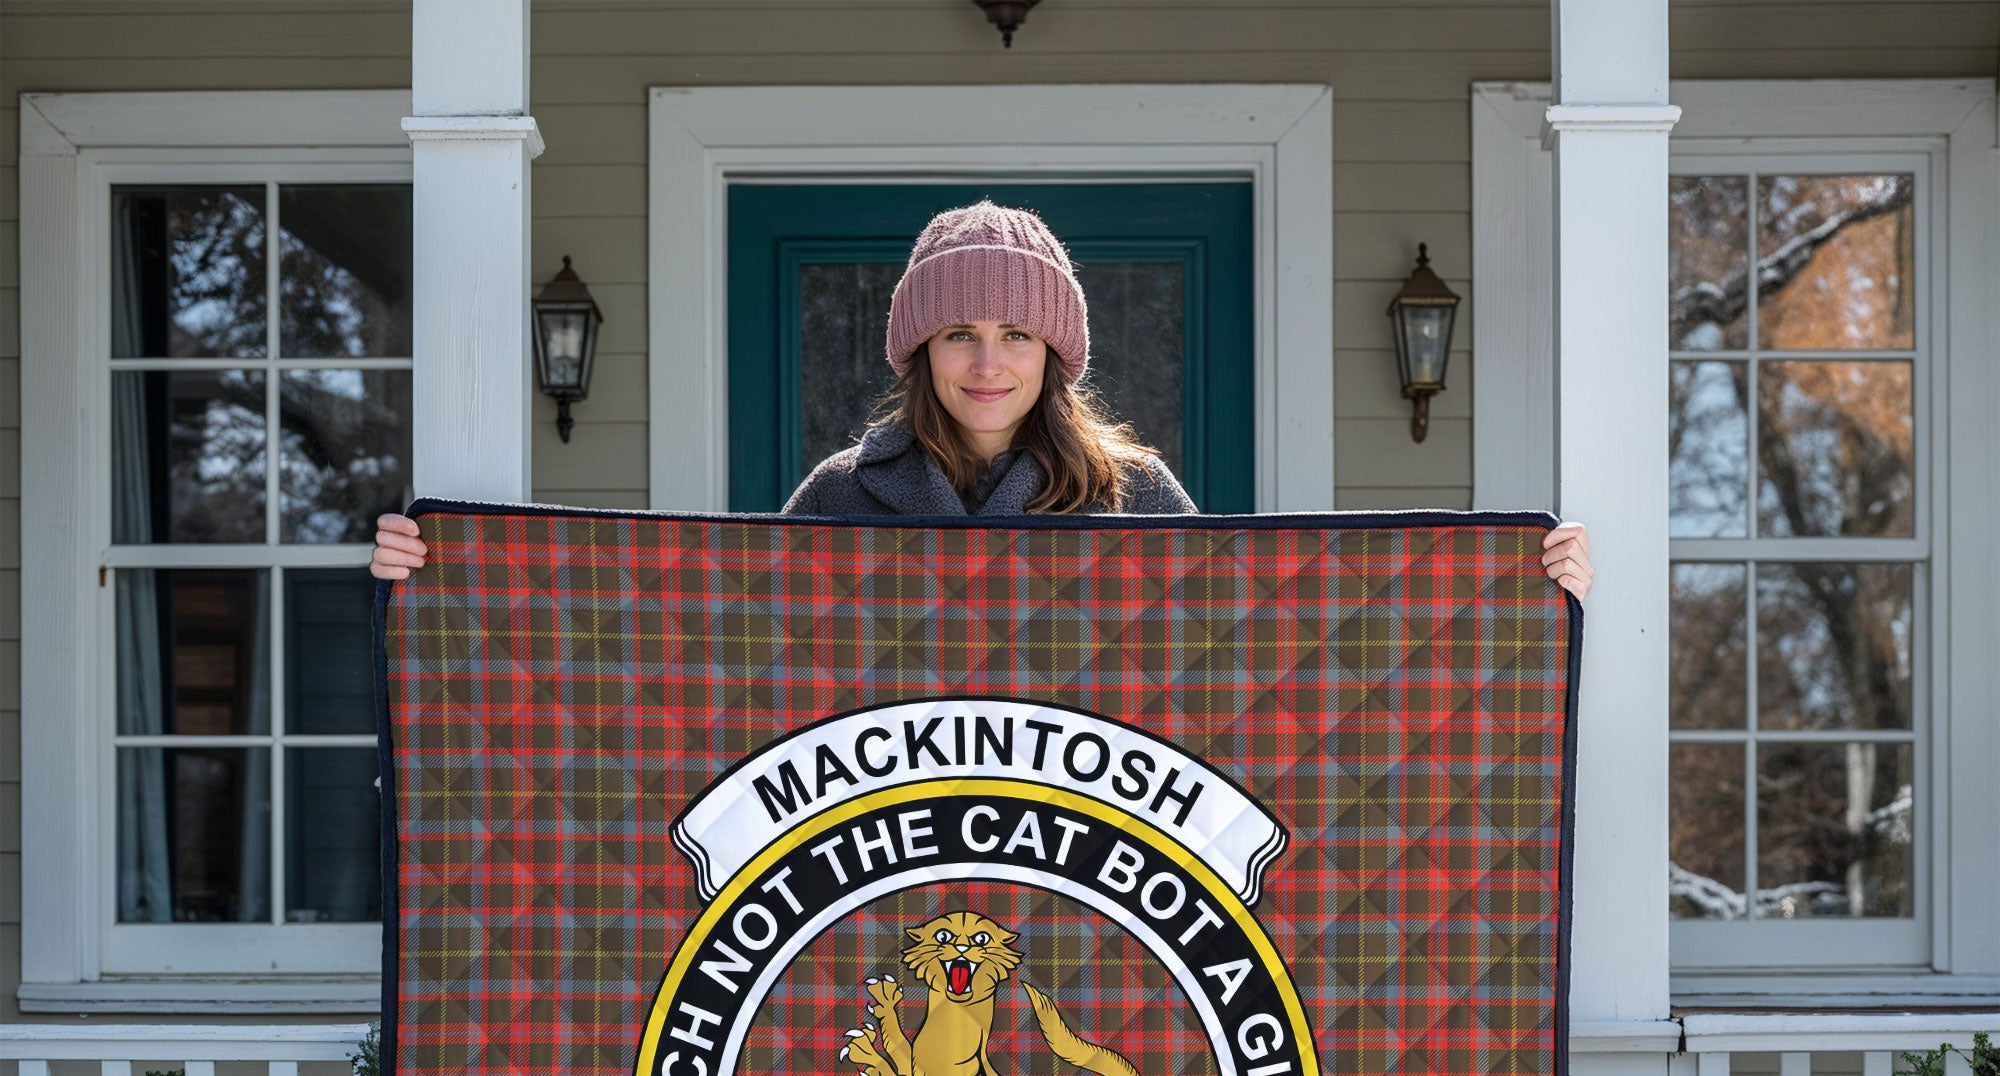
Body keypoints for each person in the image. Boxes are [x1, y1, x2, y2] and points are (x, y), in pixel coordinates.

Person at [372, 198, 1592, 594]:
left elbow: (1256, 652)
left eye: (1014, 333)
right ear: (917, 351)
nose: (985, 360)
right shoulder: (841, 497)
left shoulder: (1135, 495)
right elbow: (698, 634)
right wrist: (455, 572)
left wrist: (1510, 585)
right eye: (957, 332)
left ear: (1055, 355)